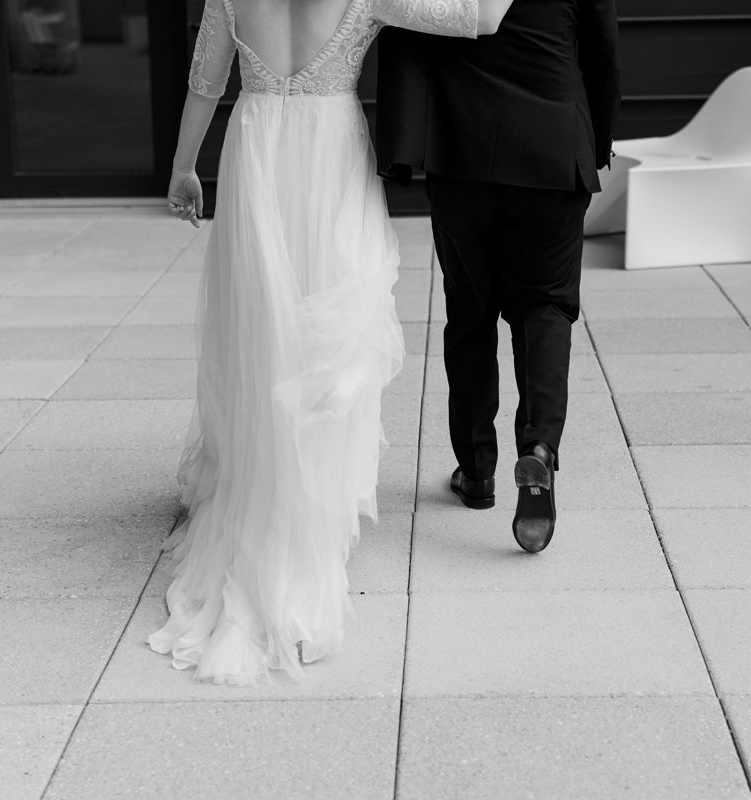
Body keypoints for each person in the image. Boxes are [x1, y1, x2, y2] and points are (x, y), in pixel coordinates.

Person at [148, 0, 515, 686]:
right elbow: (477, 17)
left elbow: (205, 83)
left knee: (259, 324)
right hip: (329, 156)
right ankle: (308, 495)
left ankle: (259, 476)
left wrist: (182, 168)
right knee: (330, 328)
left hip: (257, 151)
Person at [376, 0, 620, 553]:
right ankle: (538, 449)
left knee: (471, 313)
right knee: (547, 306)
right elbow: (603, 55)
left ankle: (477, 472)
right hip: (554, 147)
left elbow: (406, 33)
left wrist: (403, 145)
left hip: (462, 153)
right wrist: (596, 140)